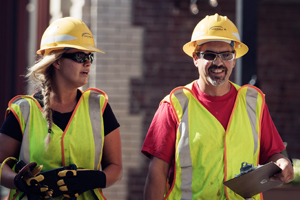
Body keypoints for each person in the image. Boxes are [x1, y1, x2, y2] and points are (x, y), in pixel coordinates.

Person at [141, 13, 294, 200]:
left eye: (226, 55)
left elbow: (272, 153)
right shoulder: (174, 105)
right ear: (195, 58)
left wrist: (283, 162)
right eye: (210, 55)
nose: (218, 62)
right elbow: (157, 173)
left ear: (234, 59)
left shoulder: (253, 102)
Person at [0, 17, 122, 200]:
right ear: (56, 62)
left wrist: (93, 178)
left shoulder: (99, 107)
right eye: (80, 56)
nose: (87, 62)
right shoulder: (24, 111)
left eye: (90, 56)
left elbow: (116, 167)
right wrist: (20, 181)